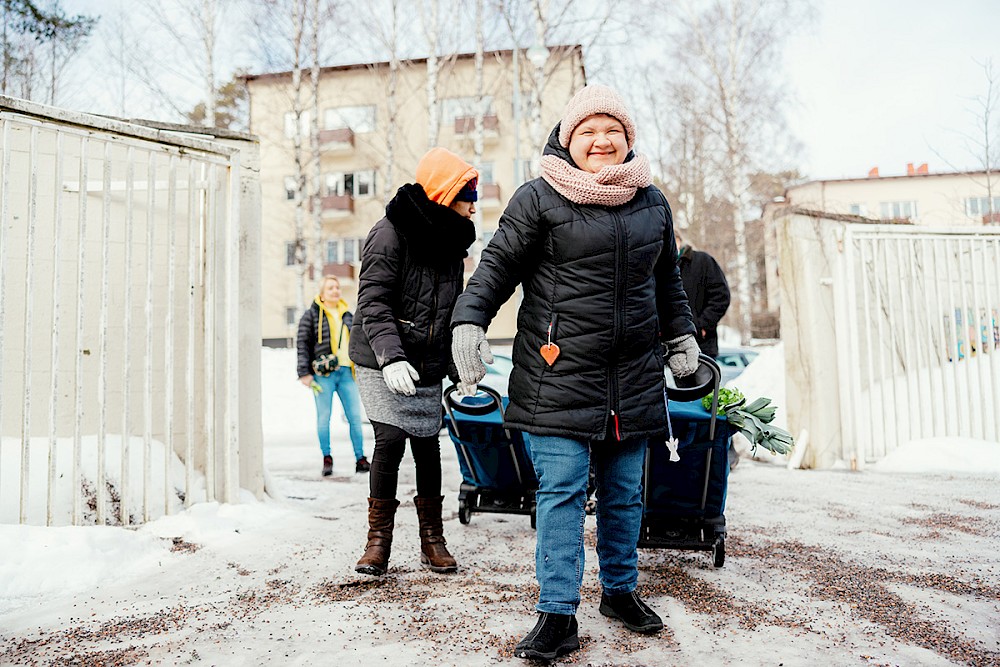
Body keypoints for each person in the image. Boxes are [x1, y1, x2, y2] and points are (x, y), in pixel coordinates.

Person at [450, 84, 700, 661]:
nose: (601, 140)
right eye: (588, 130)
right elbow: (496, 268)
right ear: (569, 139)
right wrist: (470, 322)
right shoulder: (539, 197)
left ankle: (620, 591)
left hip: (633, 375)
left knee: (622, 495)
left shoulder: (651, 202)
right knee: (560, 493)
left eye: (612, 129)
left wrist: (682, 333)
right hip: (557, 372)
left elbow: (667, 283)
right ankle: (557, 614)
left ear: (628, 137)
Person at [349, 147, 478, 577]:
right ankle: (377, 543)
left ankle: (432, 541)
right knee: (390, 440)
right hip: (381, 356)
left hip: (426, 359)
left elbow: (450, 310)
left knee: (427, 443)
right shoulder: (389, 232)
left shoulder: (451, 242)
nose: (474, 204)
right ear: (445, 193)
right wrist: (390, 358)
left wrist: (461, 368)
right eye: (468, 194)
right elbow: (373, 302)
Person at [296, 275, 369, 477]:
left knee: (354, 417)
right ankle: (327, 458)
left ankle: (360, 458)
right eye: (330, 288)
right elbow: (302, 343)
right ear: (322, 293)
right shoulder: (311, 315)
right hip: (323, 375)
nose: (335, 291)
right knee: (323, 418)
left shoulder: (348, 314)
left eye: (337, 287)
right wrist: (304, 373)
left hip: (347, 372)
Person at [675, 228, 731, 358]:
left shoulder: (702, 261)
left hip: (702, 344)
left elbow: (721, 296)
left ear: (679, 240)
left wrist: (702, 326)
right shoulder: (664, 267)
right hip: (676, 349)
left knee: (703, 378)